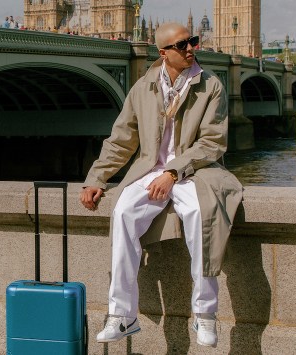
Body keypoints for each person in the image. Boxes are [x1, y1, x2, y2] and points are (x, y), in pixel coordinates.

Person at [79, 22, 242, 348]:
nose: (191, 48)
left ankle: (205, 314)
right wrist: (97, 178)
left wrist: (172, 173)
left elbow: (212, 143)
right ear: (163, 52)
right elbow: (121, 140)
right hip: (150, 171)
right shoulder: (144, 87)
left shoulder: (210, 86)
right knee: (123, 211)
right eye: (183, 45)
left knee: (200, 214)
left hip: (197, 171)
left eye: (193, 42)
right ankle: (122, 315)